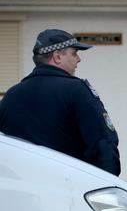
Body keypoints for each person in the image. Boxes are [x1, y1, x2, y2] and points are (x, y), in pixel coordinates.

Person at [0, 29, 120, 175]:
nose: (78, 59)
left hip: (24, 189)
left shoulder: (11, 95)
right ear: (57, 56)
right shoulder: (77, 90)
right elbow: (103, 144)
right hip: (68, 188)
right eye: (74, 53)